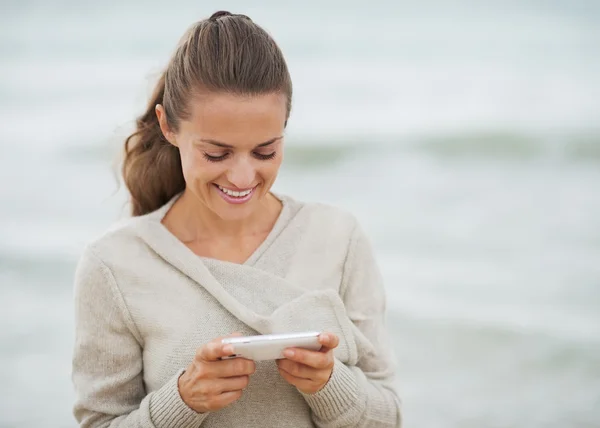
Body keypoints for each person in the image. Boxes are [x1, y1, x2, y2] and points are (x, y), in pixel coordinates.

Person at [71, 10, 401, 428]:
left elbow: (388, 417)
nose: (243, 177)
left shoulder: (339, 238)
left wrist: (330, 385)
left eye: (265, 151)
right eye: (216, 154)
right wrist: (182, 401)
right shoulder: (114, 264)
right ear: (168, 126)